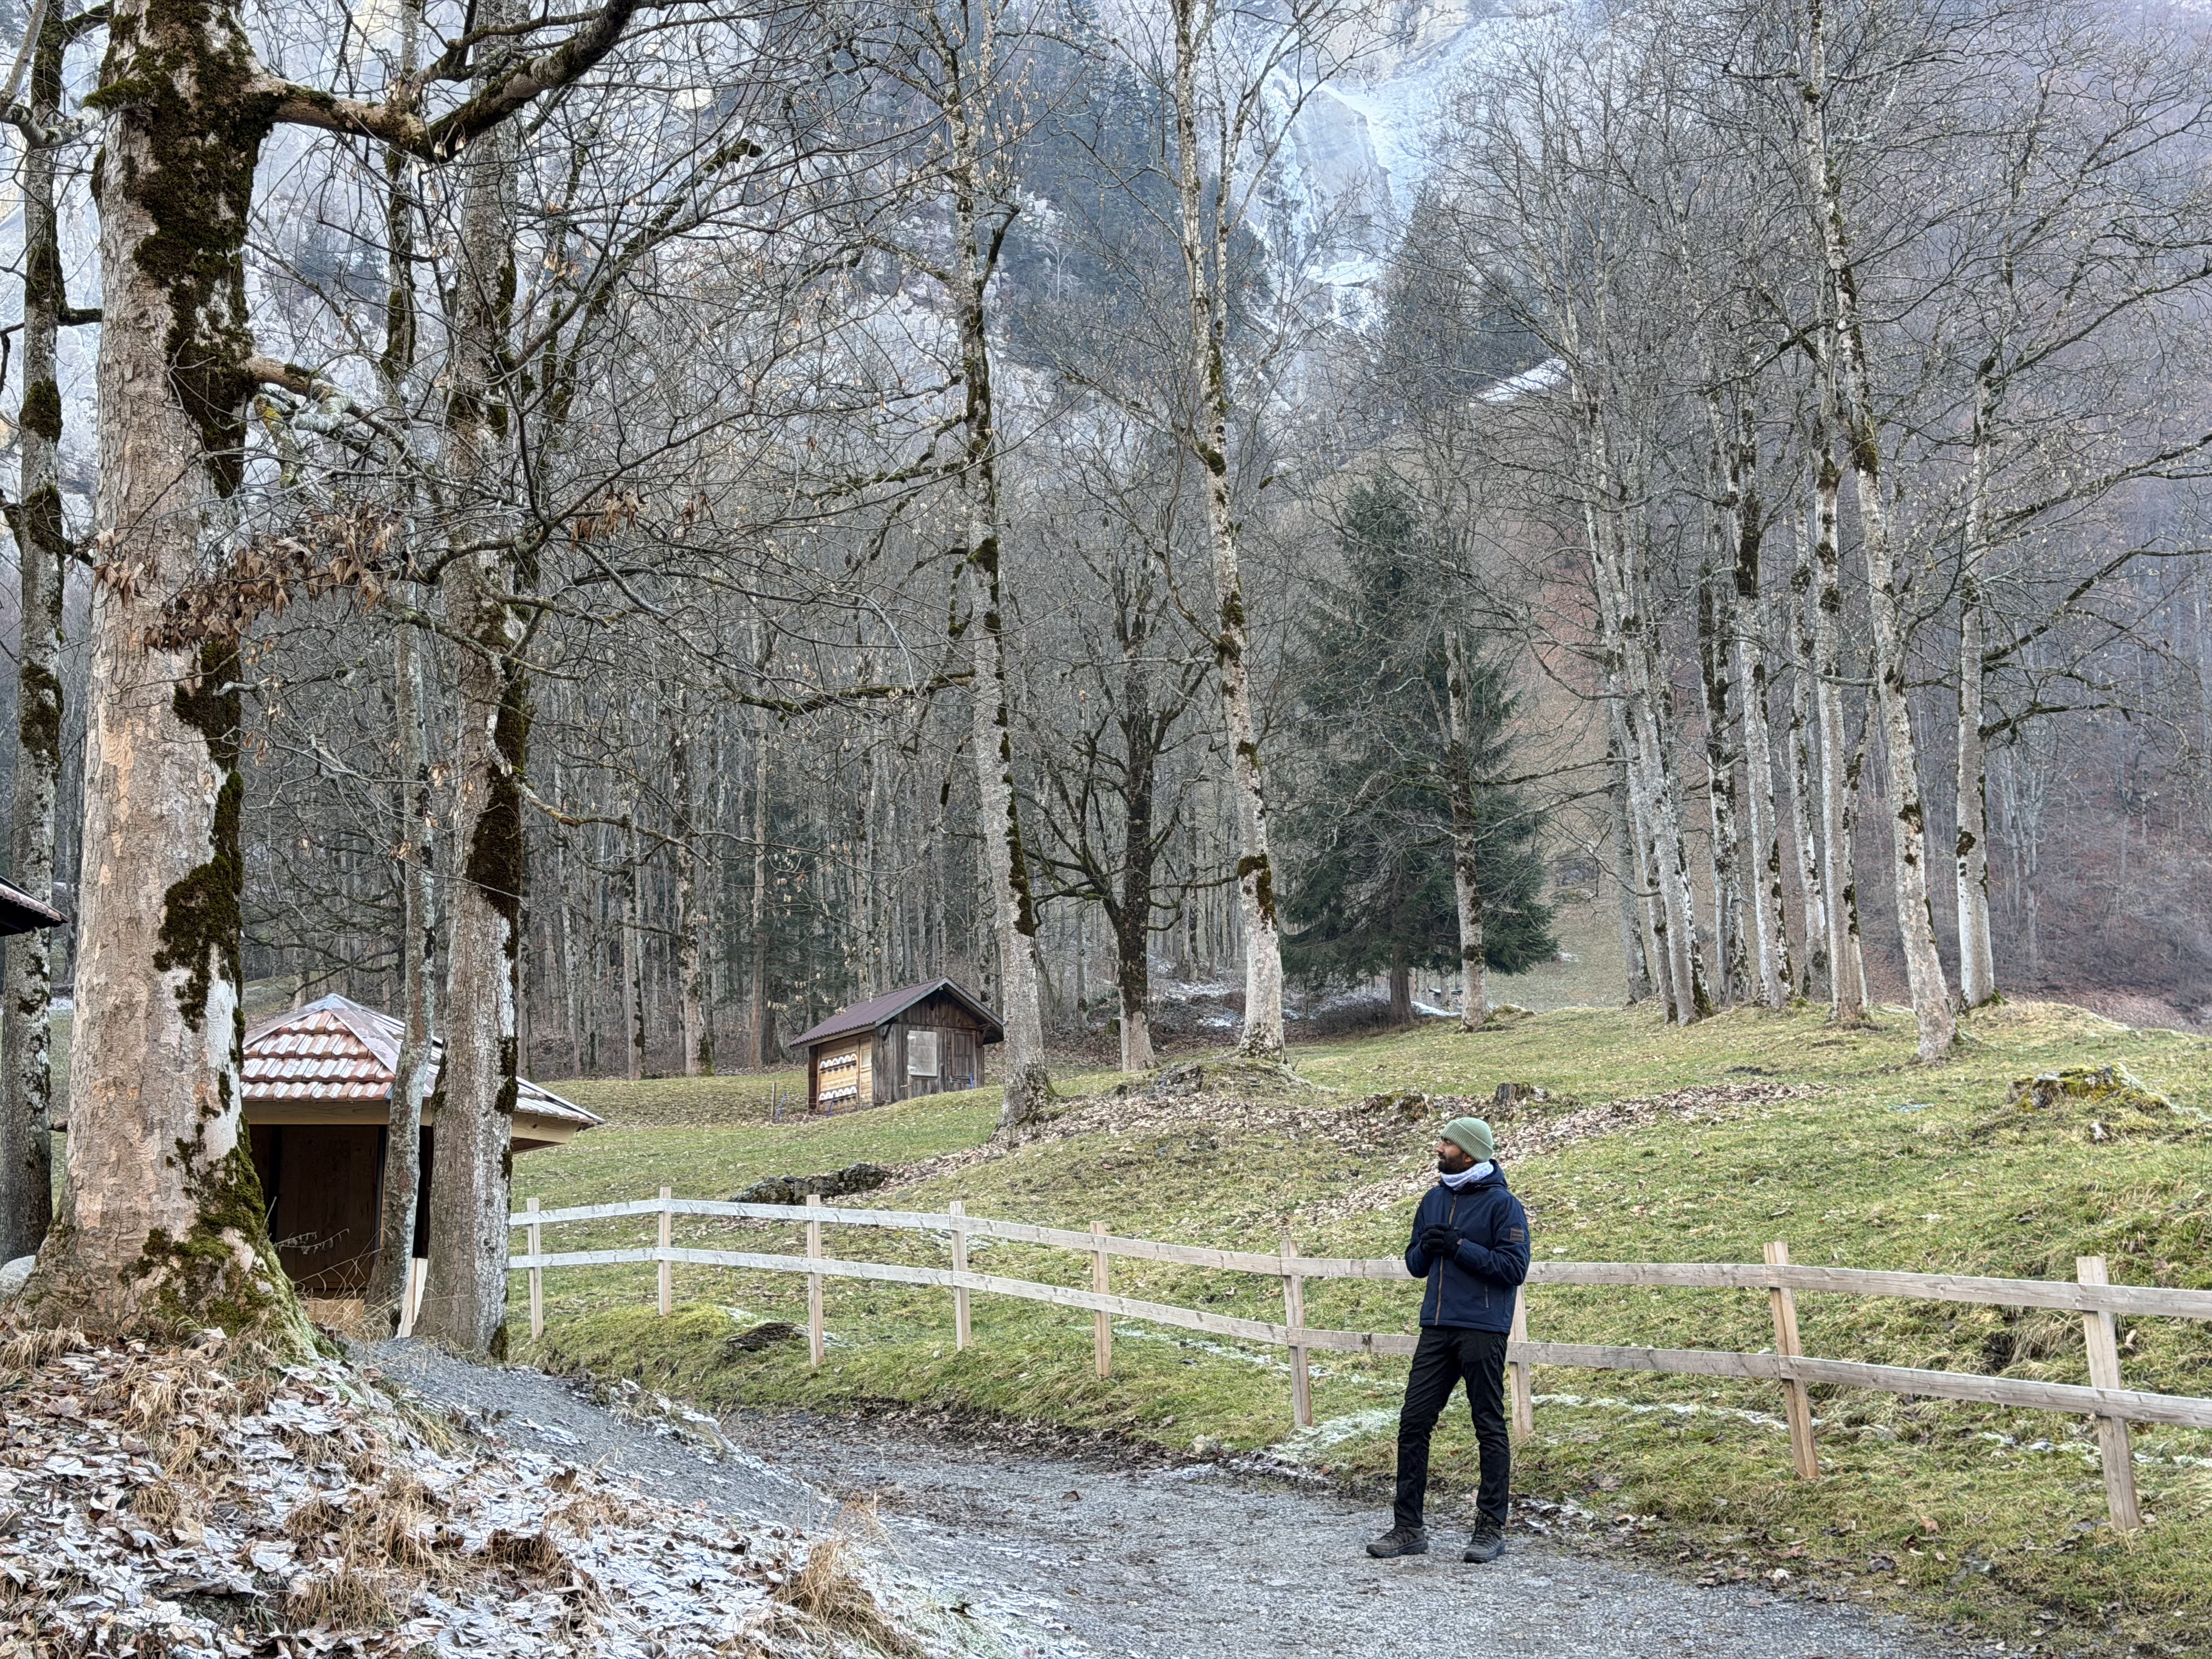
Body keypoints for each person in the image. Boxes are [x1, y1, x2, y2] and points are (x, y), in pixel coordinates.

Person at [1367, 1115, 1530, 1564]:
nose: (1439, 1148)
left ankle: (1490, 1528)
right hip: (1436, 1328)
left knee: (1488, 1425)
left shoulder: (1504, 1205)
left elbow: (1514, 1269)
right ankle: (1408, 1528)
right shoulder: (1433, 1199)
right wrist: (1428, 1246)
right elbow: (1415, 1264)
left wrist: (1460, 1247)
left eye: (1447, 1143)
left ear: (1470, 1154)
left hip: (1483, 1328)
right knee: (1413, 1422)